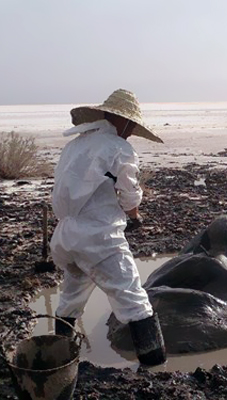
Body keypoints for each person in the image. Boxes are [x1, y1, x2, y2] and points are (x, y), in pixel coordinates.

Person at [50, 88, 166, 366]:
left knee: (72, 295)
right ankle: (156, 364)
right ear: (122, 120)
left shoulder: (75, 144)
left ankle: (58, 357)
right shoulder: (119, 148)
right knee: (133, 297)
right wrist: (135, 218)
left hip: (67, 235)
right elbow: (129, 193)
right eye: (132, 125)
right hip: (99, 236)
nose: (132, 131)